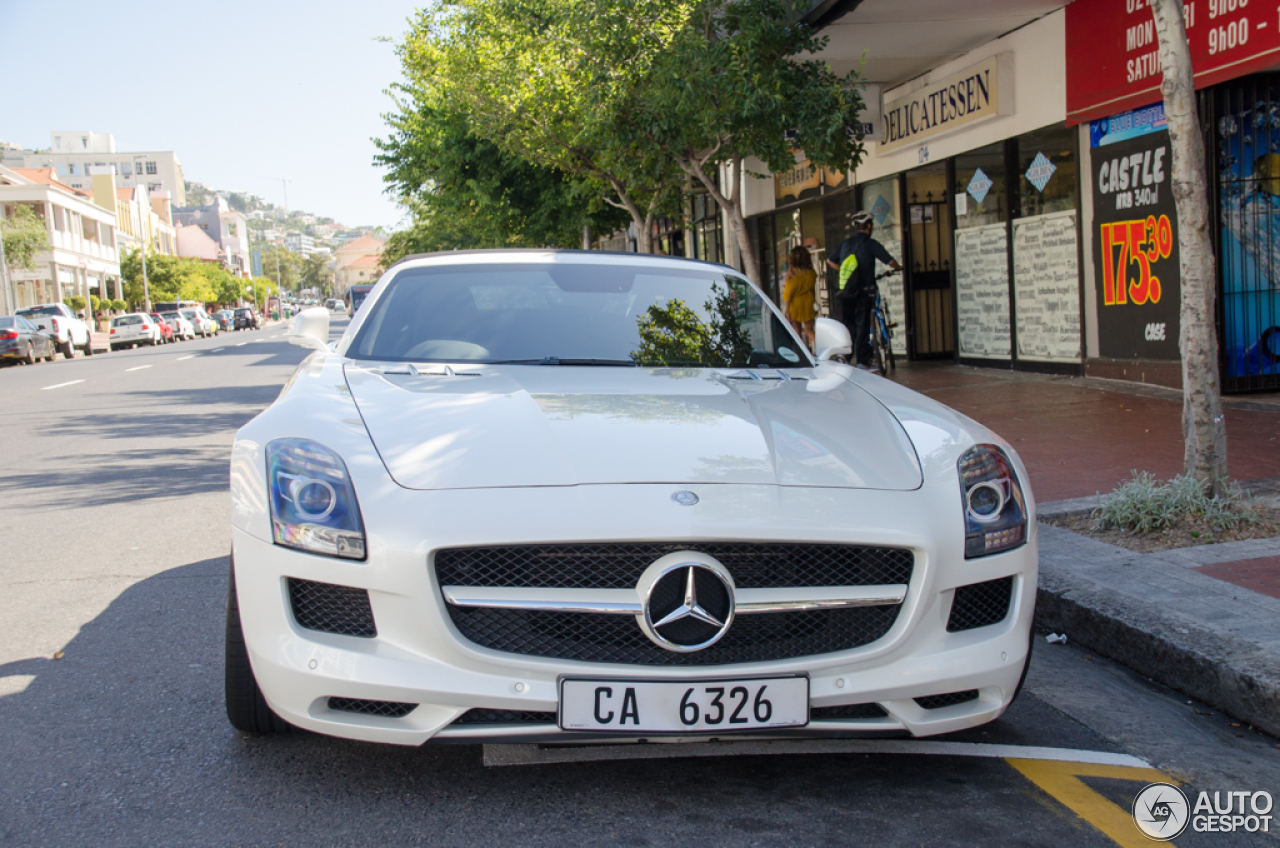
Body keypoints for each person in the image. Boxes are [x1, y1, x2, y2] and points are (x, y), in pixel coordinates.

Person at [826, 211, 902, 369]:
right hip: (864, 291)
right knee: (863, 324)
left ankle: (845, 356)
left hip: (845, 291)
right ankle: (863, 360)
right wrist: (899, 267)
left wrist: (842, 270)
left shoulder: (845, 244)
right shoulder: (870, 244)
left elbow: (830, 260)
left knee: (848, 324)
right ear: (868, 225)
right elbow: (890, 261)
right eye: (871, 225)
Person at [780, 246, 819, 349]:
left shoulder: (790, 273)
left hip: (795, 305)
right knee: (809, 330)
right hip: (808, 304)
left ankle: (800, 353)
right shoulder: (811, 272)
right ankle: (823, 346)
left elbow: (787, 294)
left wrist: (787, 310)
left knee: (796, 332)